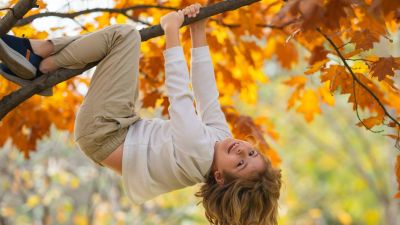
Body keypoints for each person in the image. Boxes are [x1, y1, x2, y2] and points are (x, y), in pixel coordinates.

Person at [0, 3, 281, 225]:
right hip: (121, 126)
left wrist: (172, 32)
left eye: (240, 164)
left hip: (104, 132)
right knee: (117, 42)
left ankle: (38, 60)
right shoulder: (220, 141)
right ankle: (37, 57)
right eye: (251, 154)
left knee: (123, 37)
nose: (242, 151)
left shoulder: (198, 154)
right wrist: (198, 31)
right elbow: (207, 93)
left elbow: (181, 99)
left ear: (220, 177)